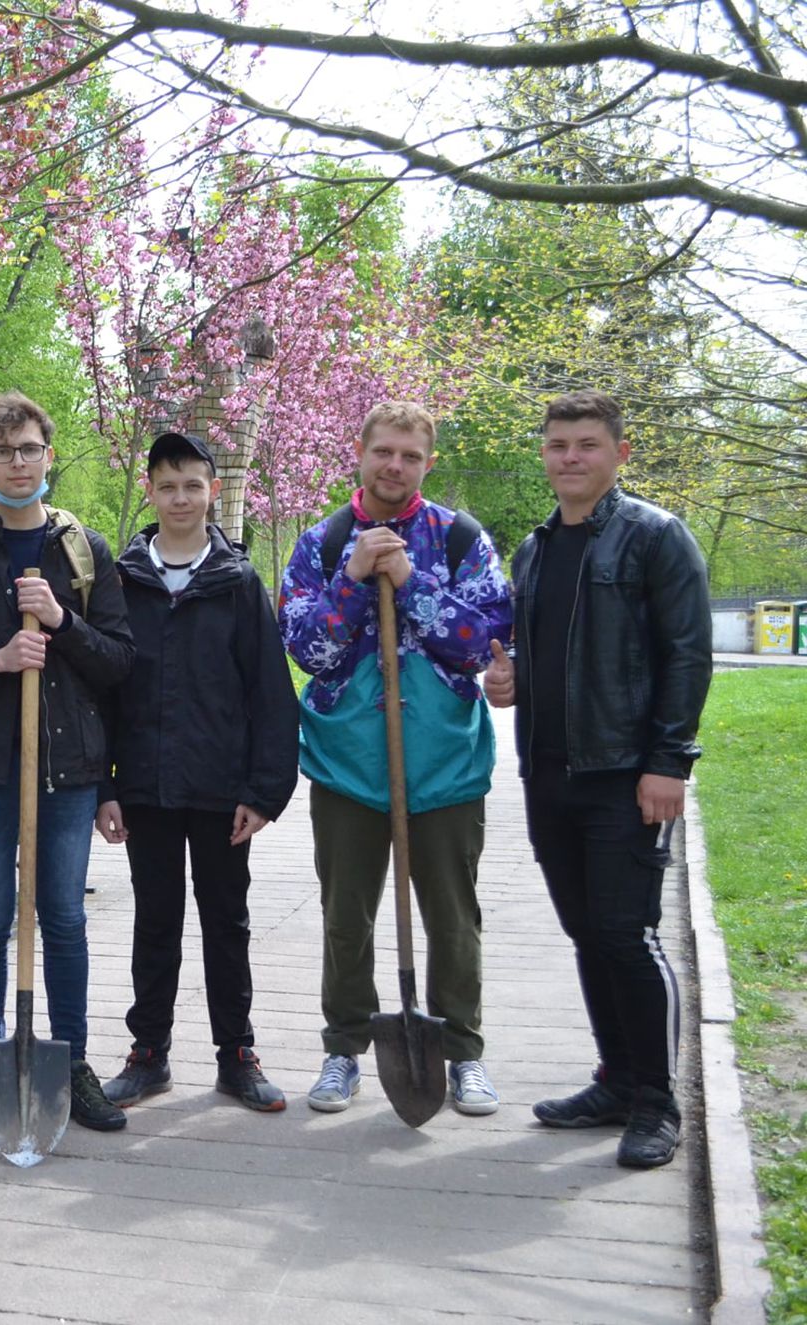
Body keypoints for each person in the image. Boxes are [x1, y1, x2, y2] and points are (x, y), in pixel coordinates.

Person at [482, 390, 709, 1169]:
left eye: (586, 444)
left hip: (625, 776)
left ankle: (657, 1101)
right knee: (587, 933)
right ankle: (616, 1080)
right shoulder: (536, 547)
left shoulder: (656, 537)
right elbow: (544, 649)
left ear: (619, 453)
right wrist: (510, 679)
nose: (570, 456)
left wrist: (669, 761)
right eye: (558, 444)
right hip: (549, 774)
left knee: (626, 934)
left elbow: (686, 654)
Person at [280, 400, 510, 1117]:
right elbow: (307, 650)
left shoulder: (462, 539)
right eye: (384, 451)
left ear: (427, 464)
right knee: (346, 916)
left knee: (453, 917)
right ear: (360, 451)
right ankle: (345, 1047)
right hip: (348, 763)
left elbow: (481, 643)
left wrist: (411, 581)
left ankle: (462, 1051)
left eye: (411, 456)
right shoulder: (321, 544)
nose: (395, 466)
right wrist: (353, 577)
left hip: (444, 763)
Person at [0, 392, 133, 1135]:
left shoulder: (82, 549)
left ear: (49, 454)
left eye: (30, 449)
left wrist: (64, 621)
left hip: (67, 768)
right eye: (2, 451)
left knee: (64, 918)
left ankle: (69, 1062)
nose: (18, 463)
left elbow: (119, 661)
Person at [95, 432, 299, 1113]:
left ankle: (236, 1053)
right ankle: (148, 1053)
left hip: (222, 792)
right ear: (150, 492)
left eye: (192, 485)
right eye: (167, 486)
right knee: (155, 920)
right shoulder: (123, 582)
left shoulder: (238, 583)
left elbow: (271, 694)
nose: (180, 498)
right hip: (146, 788)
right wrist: (105, 788)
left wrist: (264, 792)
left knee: (226, 922)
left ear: (214, 491)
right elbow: (104, 692)